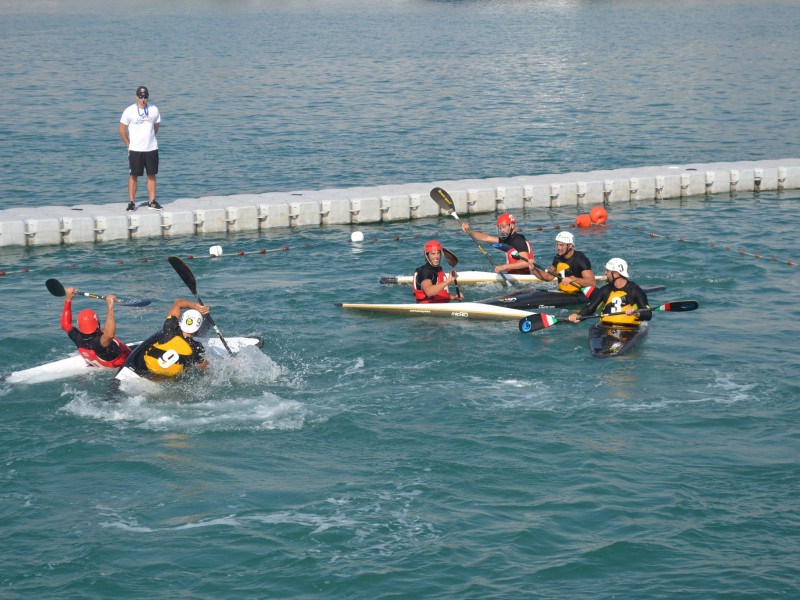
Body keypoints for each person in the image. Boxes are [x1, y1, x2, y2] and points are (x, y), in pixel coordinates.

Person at [132, 299, 211, 378]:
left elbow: (178, 303)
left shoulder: (170, 328)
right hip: (166, 378)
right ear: (198, 328)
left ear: (182, 320)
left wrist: (195, 306)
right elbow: (202, 368)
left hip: (145, 367)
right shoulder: (197, 347)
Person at [61, 287, 131, 368]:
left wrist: (68, 299)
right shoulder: (100, 342)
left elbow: (65, 324)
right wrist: (110, 306)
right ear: (97, 322)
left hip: (100, 366)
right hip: (123, 365)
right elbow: (109, 335)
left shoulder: (77, 338)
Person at [568, 258, 652, 325]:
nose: (605, 273)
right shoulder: (605, 290)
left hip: (630, 329)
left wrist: (636, 313)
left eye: (607, 271)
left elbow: (648, 314)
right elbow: (590, 308)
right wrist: (579, 315)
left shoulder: (635, 291)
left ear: (616, 274)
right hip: (606, 327)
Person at [119, 85, 162, 212]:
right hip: (135, 149)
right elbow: (122, 129)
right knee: (134, 175)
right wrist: (128, 143)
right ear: (136, 97)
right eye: (141, 97)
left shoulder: (154, 109)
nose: (143, 99)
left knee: (152, 175)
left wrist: (150, 138)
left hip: (151, 148)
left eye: (145, 97)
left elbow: (156, 126)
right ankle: (132, 202)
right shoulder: (129, 111)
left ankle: (152, 201)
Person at [461, 213, 532, 274]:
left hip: (524, 277)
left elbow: (525, 262)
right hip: (514, 275)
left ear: (512, 225)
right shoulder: (507, 240)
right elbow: (485, 238)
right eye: (500, 228)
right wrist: (469, 231)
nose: (502, 230)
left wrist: (503, 267)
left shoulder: (518, 240)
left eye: (504, 227)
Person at [530, 231, 596, 294]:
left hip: (579, 293)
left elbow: (592, 282)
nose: (558, 247)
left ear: (570, 245)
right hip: (563, 292)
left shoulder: (580, 259)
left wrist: (573, 279)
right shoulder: (558, 258)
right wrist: (534, 270)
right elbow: (548, 277)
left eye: (561, 245)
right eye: (557, 244)